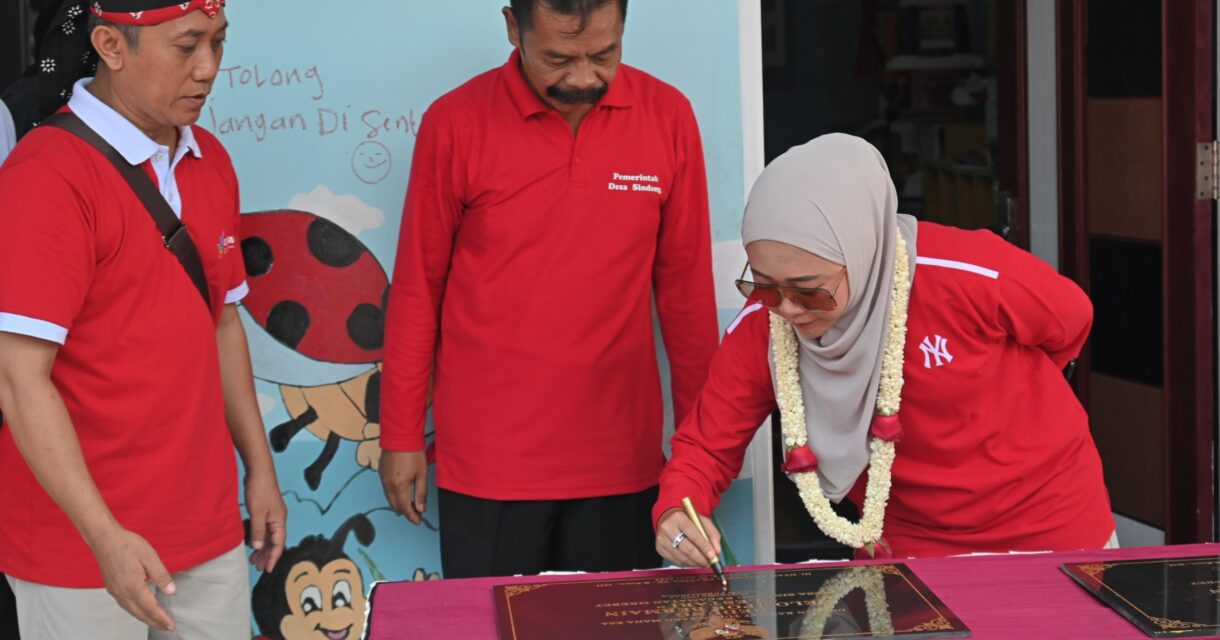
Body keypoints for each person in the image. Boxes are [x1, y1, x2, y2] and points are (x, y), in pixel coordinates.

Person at [655, 134, 1114, 567]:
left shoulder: (964, 273)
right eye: (766, 286)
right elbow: (707, 445)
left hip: (1051, 522)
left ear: (862, 251)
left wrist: (1017, 396)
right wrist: (676, 509)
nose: (789, 309)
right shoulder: (767, 324)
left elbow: (1070, 320)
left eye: (809, 290)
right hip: (907, 541)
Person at [379, 0, 719, 579]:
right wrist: (402, 434)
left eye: (604, 55)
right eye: (558, 58)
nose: (583, 78)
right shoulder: (455, 123)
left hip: (622, 463)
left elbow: (687, 301)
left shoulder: (668, 117)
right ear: (513, 28)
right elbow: (418, 290)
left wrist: (704, 457)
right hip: (488, 466)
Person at [0, 1, 287, 637]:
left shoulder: (208, 157)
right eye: (187, 47)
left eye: (218, 42)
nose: (208, 68)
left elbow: (221, 323)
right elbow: (20, 380)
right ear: (110, 44)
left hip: (204, 525)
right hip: (77, 543)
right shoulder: (46, 174)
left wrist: (261, 470)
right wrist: (104, 535)